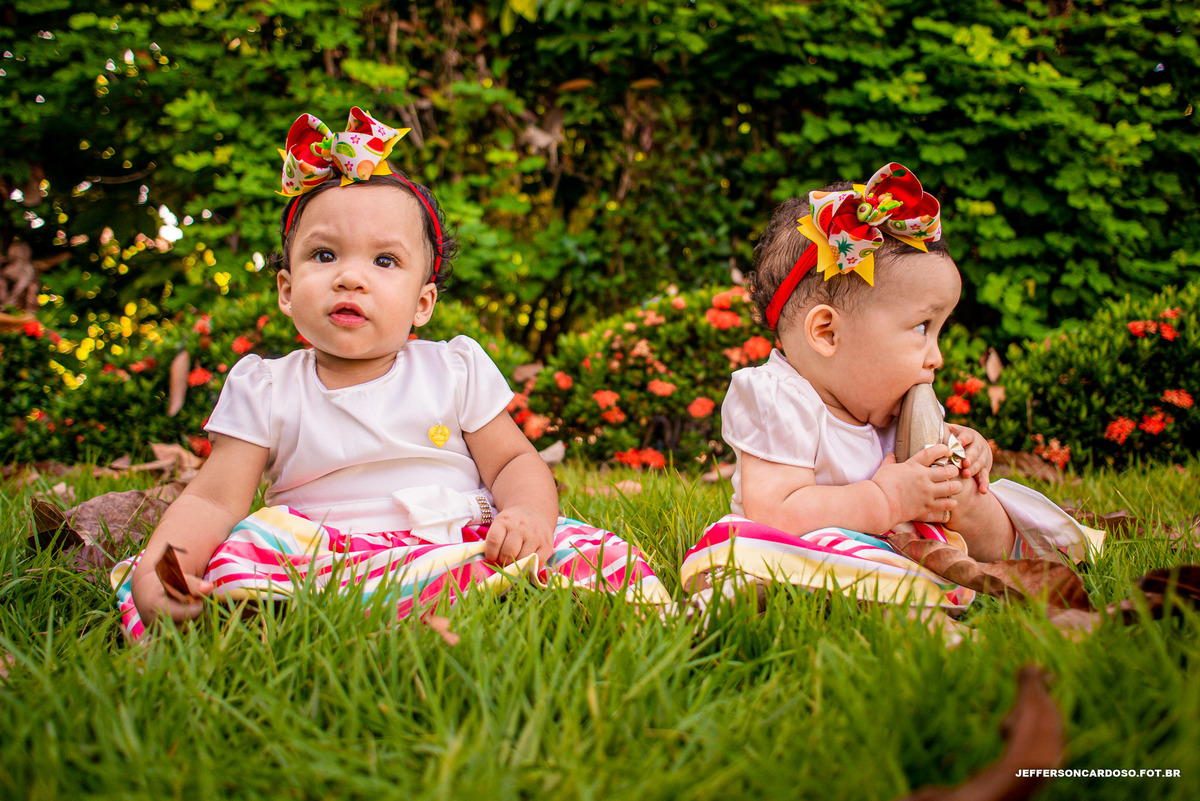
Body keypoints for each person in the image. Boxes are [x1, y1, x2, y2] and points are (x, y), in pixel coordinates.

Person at [112, 108, 668, 641]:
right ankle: (259, 614)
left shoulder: (453, 368)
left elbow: (512, 461)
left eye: (384, 261)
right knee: (239, 558)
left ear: (422, 303)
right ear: (286, 289)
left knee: (591, 553)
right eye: (324, 255)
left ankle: (515, 598)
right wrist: (166, 567)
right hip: (319, 552)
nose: (350, 278)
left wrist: (526, 513)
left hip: (455, 538)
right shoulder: (266, 386)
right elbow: (214, 501)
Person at [679, 163, 1100, 611]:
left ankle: (994, 562)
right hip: (801, 550)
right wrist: (885, 499)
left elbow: (932, 474)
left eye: (939, 331)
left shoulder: (897, 403)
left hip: (894, 548)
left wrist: (961, 456)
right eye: (922, 328)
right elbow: (777, 513)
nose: (936, 357)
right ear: (827, 333)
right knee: (767, 562)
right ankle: (778, 595)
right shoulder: (780, 399)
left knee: (979, 504)